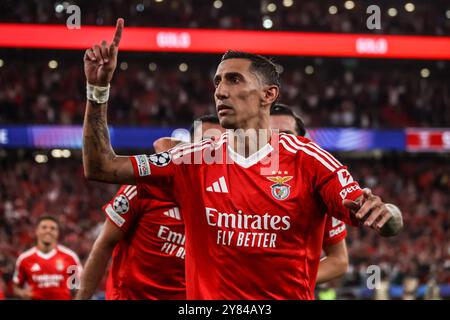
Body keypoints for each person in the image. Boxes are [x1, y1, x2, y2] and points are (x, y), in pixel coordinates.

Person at [82, 18, 403, 299]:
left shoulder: (311, 161)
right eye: (218, 82)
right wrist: (98, 90)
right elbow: (101, 167)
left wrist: (386, 212)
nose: (220, 91)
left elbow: (388, 223)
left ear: (268, 95)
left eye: (234, 80)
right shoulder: (190, 161)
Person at [76, 115, 224, 300]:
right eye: (205, 143)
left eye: (218, 146)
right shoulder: (145, 187)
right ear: (189, 147)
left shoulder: (224, 201)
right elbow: (104, 244)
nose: (211, 152)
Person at [270, 103, 348, 284]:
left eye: (286, 136)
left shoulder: (317, 188)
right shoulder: (234, 177)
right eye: (270, 135)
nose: (278, 142)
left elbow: (339, 261)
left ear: (302, 141)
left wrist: (285, 282)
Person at [13, 216, 82, 300]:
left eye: (53, 228)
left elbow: (77, 287)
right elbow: (16, 287)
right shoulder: (24, 259)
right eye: (44, 227)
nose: (48, 231)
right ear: (36, 231)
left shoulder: (70, 257)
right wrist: (23, 293)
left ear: (58, 233)